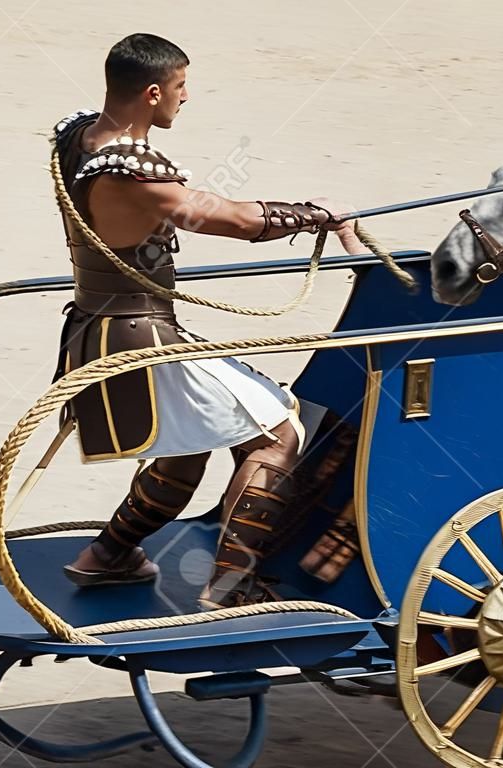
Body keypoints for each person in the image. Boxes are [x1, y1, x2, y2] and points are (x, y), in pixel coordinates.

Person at [52, 33, 365, 609]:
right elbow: (230, 219)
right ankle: (231, 588)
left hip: (98, 328)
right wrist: (313, 216)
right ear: (151, 93)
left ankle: (108, 555)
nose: (186, 97)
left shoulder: (76, 138)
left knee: (193, 437)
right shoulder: (130, 169)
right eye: (179, 86)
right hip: (141, 335)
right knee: (277, 436)